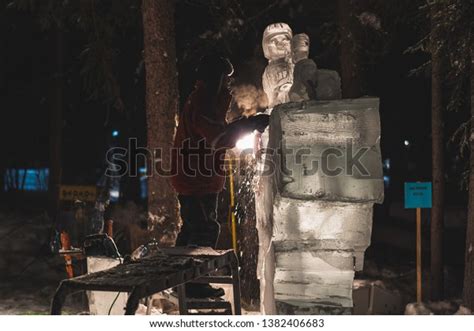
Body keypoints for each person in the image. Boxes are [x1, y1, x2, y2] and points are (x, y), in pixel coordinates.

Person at [171, 54, 269, 298]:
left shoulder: (205, 101)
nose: (227, 85)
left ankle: (178, 279)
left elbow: (218, 132)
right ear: (214, 78)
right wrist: (249, 124)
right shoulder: (203, 102)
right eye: (224, 79)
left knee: (192, 229)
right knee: (205, 230)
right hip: (197, 179)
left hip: (196, 177)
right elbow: (218, 138)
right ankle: (194, 285)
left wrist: (243, 124)